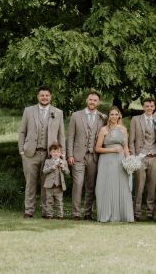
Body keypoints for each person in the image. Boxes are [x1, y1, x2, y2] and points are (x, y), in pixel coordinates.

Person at [18, 85, 65, 218]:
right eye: (42, 95)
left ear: (50, 97)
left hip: (50, 155)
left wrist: (62, 154)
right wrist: (21, 150)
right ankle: (29, 211)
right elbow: (22, 131)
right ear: (38, 97)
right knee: (30, 183)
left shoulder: (58, 112)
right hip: (30, 154)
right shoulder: (28, 111)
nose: (44, 98)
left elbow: (61, 135)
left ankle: (46, 212)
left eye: (47, 95)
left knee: (47, 185)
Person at [67, 91, 106, 220]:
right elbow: (70, 137)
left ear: (98, 102)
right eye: (90, 99)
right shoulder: (76, 116)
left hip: (94, 157)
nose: (92, 102)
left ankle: (88, 213)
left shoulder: (102, 118)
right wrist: (69, 154)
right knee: (78, 184)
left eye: (95, 100)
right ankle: (76, 213)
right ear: (86, 100)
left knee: (91, 186)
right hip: (78, 156)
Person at [94, 106, 134, 222]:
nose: (114, 117)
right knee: (107, 186)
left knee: (122, 186)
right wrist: (112, 150)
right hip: (107, 161)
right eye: (112, 114)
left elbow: (126, 147)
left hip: (121, 161)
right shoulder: (104, 130)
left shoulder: (123, 129)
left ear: (119, 116)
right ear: (109, 116)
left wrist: (129, 161)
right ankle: (106, 214)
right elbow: (97, 148)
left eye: (116, 114)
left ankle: (122, 215)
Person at [129, 98, 156, 222]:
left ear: (154, 107)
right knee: (139, 186)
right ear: (143, 107)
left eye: (151, 106)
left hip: (155, 157)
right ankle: (136, 213)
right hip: (140, 157)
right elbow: (131, 140)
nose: (149, 108)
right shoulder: (135, 120)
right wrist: (133, 157)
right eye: (147, 106)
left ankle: (150, 213)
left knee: (152, 186)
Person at [42, 142, 70, 219]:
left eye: (58, 152)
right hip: (49, 186)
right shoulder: (47, 161)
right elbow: (44, 171)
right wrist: (52, 167)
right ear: (50, 153)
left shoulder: (63, 162)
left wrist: (63, 168)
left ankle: (60, 215)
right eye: (54, 151)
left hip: (59, 186)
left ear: (60, 153)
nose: (56, 153)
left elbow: (68, 173)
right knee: (49, 201)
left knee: (59, 202)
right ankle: (49, 215)